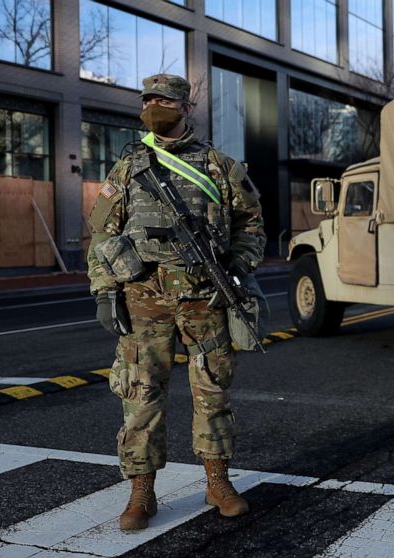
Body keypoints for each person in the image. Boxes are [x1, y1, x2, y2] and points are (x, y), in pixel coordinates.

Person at [87, 74, 266, 530]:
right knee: (141, 395)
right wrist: (105, 290)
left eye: (163, 99)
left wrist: (237, 266)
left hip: (205, 298)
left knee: (212, 391)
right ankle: (141, 491)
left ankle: (217, 480)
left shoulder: (219, 166)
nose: (152, 106)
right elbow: (103, 233)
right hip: (144, 297)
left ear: (186, 107)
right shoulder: (129, 166)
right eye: (147, 99)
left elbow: (251, 224)